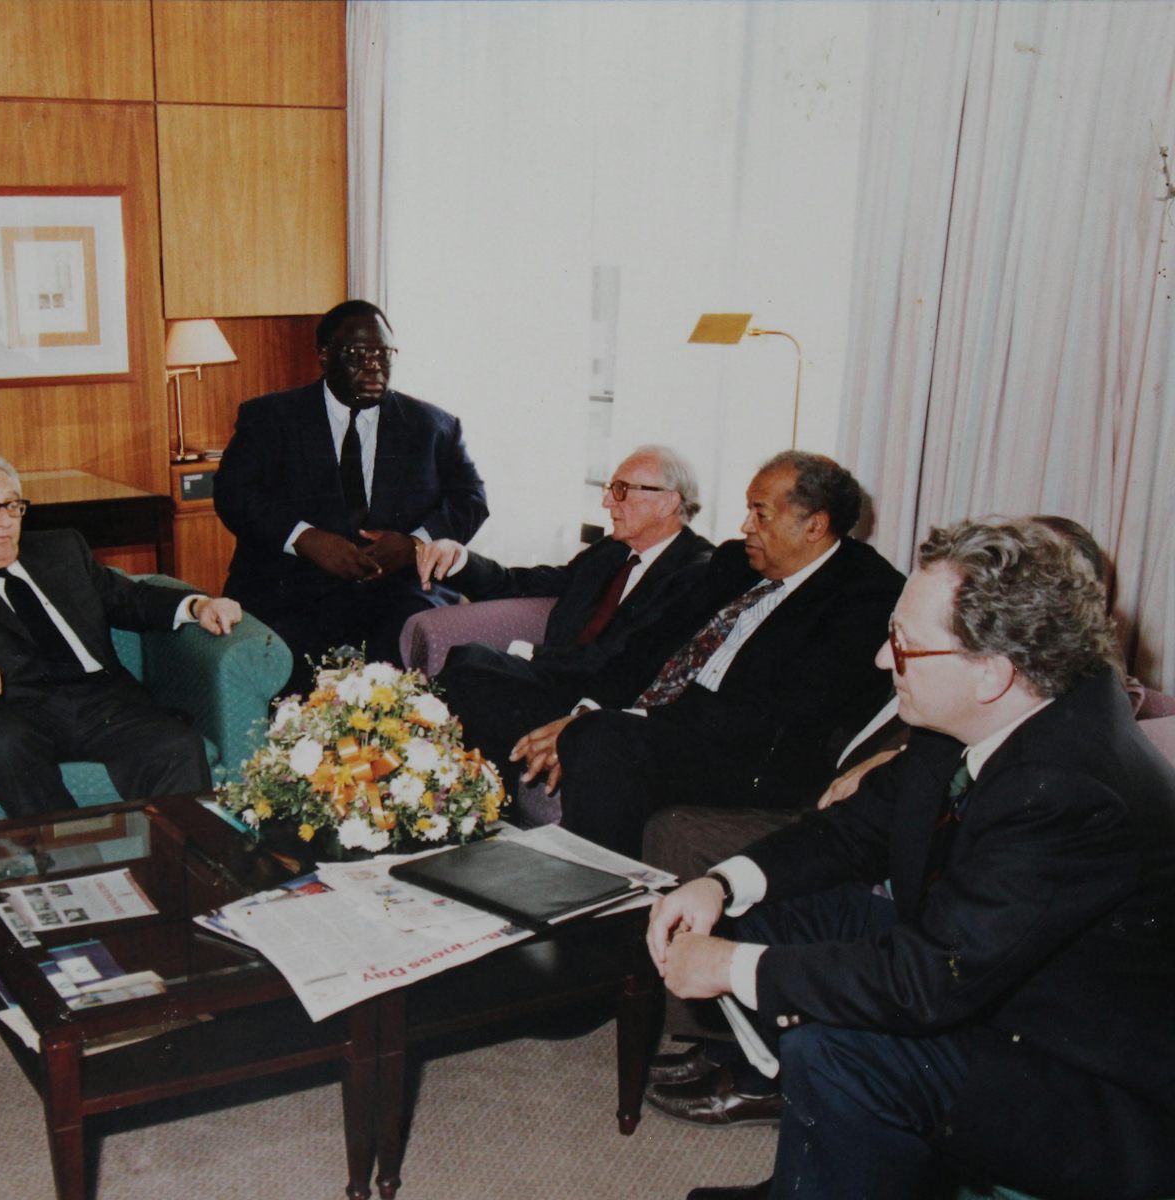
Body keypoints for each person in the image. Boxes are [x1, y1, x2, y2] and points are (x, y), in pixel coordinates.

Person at [652, 519, 1175, 1200]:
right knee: (773, 917)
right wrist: (722, 884)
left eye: (902, 644)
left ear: (991, 671)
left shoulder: (1074, 790)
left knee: (839, 1049)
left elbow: (927, 981)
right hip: (1004, 989)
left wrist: (728, 967)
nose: (879, 659)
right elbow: (857, 830)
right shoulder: (991, 709)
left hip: (1089, 1084)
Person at [509, 450, 904, 856]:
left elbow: (777, 713)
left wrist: (611, 720)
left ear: (814, 526)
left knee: (601, 740)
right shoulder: (736, 561)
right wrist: (588, 707)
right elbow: (651, 644)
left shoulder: (867, 596)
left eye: (761, 515)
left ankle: (596, 898)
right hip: (667, 721)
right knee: (498, 685)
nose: (745, 526)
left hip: (749, 756)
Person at [0, 451, 245, 816]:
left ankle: (181, 872)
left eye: (13, 507)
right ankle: (75, 862)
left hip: (103, 703)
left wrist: (197, 605)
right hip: (15, 711)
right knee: (3, 745)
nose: (3, 522)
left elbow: (130, 598)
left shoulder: (61, 550)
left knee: (177, 747)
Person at [213, 300, 488, 687]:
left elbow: (471, 498)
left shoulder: (433, 426)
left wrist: (415, 544)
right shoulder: (271, 418)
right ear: (324, 356)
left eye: (383, 353)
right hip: (293, 585)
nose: (374, 365)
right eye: (358, 353)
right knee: (286, 680)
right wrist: (304, 538)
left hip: (398, 590)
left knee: (403, 683)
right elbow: (233, 494)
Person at [419, 444, 714, 777]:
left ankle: (415, 768)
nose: (607, 502)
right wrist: (460, 559)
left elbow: (628, 656)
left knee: (471, 667)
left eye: (621, 490)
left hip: (598, 700)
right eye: (609, 489)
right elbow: (529, 582)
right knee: (470, 664)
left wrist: (530, 654)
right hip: (556, 682)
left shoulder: (696, 571)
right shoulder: (611, 551)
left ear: (669, 501)